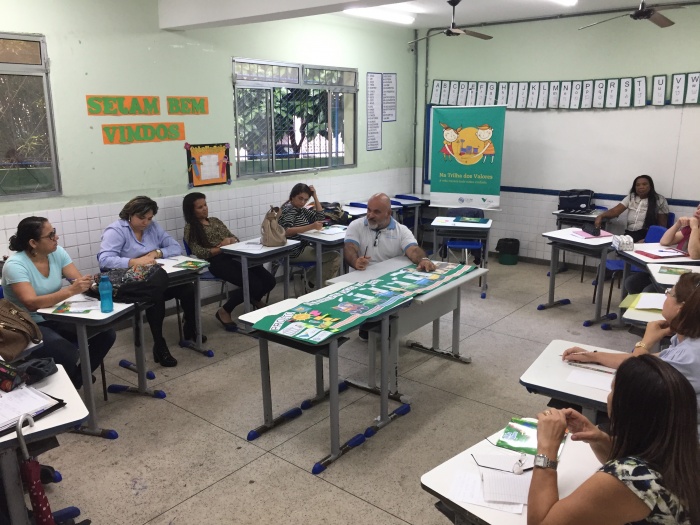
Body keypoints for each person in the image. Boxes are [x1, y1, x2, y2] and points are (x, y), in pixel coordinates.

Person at [528, 355, 699, 525]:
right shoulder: (684, 451)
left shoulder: (631, 482)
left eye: (612, 390)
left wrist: (547, 447)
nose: (609, 397)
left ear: (626, 408)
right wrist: (599, 438)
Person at [563, 271, 700, 435]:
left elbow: (634, 375)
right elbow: (652, 360)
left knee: (608, 403)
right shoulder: (689, 339)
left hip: (680, 439)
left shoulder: (689, 356)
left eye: (670, 293)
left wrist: (645, 342)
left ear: (681, 308)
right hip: (676, 424)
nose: (666, 295)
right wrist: (593, 356)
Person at [1, 217, 115, 389]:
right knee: (65, 351)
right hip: (30, 325)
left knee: (106, 333)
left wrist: (91, 285)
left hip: (57, 315)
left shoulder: (57, 253)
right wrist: (70, 291)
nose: (56, 237)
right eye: (50, 235)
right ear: (33, 242)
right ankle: (74, 379)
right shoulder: (15, 265)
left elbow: (77, 281)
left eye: (54, 232)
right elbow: (31, 303)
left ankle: (77, 379)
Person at [98, 196, 200, 368]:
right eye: (141, 218)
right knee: (156, 296)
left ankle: (190, 327)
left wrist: (157, 253)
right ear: (130, 214)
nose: (146, 222)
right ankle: (159, 344)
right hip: (129, 284)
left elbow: (175, 247)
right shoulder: (116, 230)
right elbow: (104, 260)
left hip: (154, 278)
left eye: (150, 218)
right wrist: (133, 262)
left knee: (187, 289)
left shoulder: (153, 227)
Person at [182, 192, 276, 331]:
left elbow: (233, 237)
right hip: (217, 262)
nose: (205, 209)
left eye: (205, 205)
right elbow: (199, 252)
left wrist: (231, 240)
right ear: (191, 210)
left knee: (269, 281)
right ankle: (224, 311)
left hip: (236, 255)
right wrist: (221, 246)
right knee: (253, 284)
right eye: (200, 207)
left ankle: (254, 298)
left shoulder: (215, 220)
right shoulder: (190, 228)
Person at [344, 192, 436, 272]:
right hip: (361, 274)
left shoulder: (401, 231)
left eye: (376, 212)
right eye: (369, 210)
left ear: (388, 213)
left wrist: (423, 259)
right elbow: (350, 248)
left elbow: (413, 250)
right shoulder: (356, 225)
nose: (370, 215)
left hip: (387, 276)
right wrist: (355, 261)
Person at [626, 202, 700, 294]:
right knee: (631, 283)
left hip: (691, 276)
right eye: (698, 208)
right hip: (675, 269)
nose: (698, 212)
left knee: (648, 291)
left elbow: (695, 254)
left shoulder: (694, 228)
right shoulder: (689, 229)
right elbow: (665, 241)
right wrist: (677, 224)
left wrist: (695, 228)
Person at [278, 183, 340, 288]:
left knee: (331, 254)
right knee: (335, 257)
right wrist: (311, 226)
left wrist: (315, 196)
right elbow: (286, 231)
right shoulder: (289, 210)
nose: (303, 202)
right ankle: (312, 284)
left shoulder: (300, 209)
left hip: (303, 247)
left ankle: (308, 281)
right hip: (293, 251)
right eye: (300, 198)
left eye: (306, 200)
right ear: (292, 197)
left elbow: (320, 217)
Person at [594, 175, 668, 242]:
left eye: (644, 184)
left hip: (647, 235)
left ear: (650, 186)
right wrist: (601, 216)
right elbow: (615, 211)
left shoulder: (659, 200)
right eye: (637, 185)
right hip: (630, 234)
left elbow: (662, 226)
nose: (641, 187)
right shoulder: (631, 197)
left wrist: (648, 239)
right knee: (613, 244)